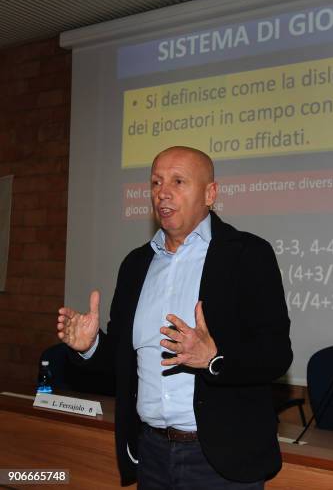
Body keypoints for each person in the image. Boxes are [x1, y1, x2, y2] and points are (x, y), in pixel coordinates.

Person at [57, 146, 292, 489]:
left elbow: (276, 355)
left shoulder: (248, 255)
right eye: (155, 182)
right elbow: (123, 366)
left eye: (178, 181)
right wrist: (91, 346)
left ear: (210, 193)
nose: (162, 193)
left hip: (220, 461)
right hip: (151, 454)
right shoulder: (136, 265)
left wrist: (214, 358)